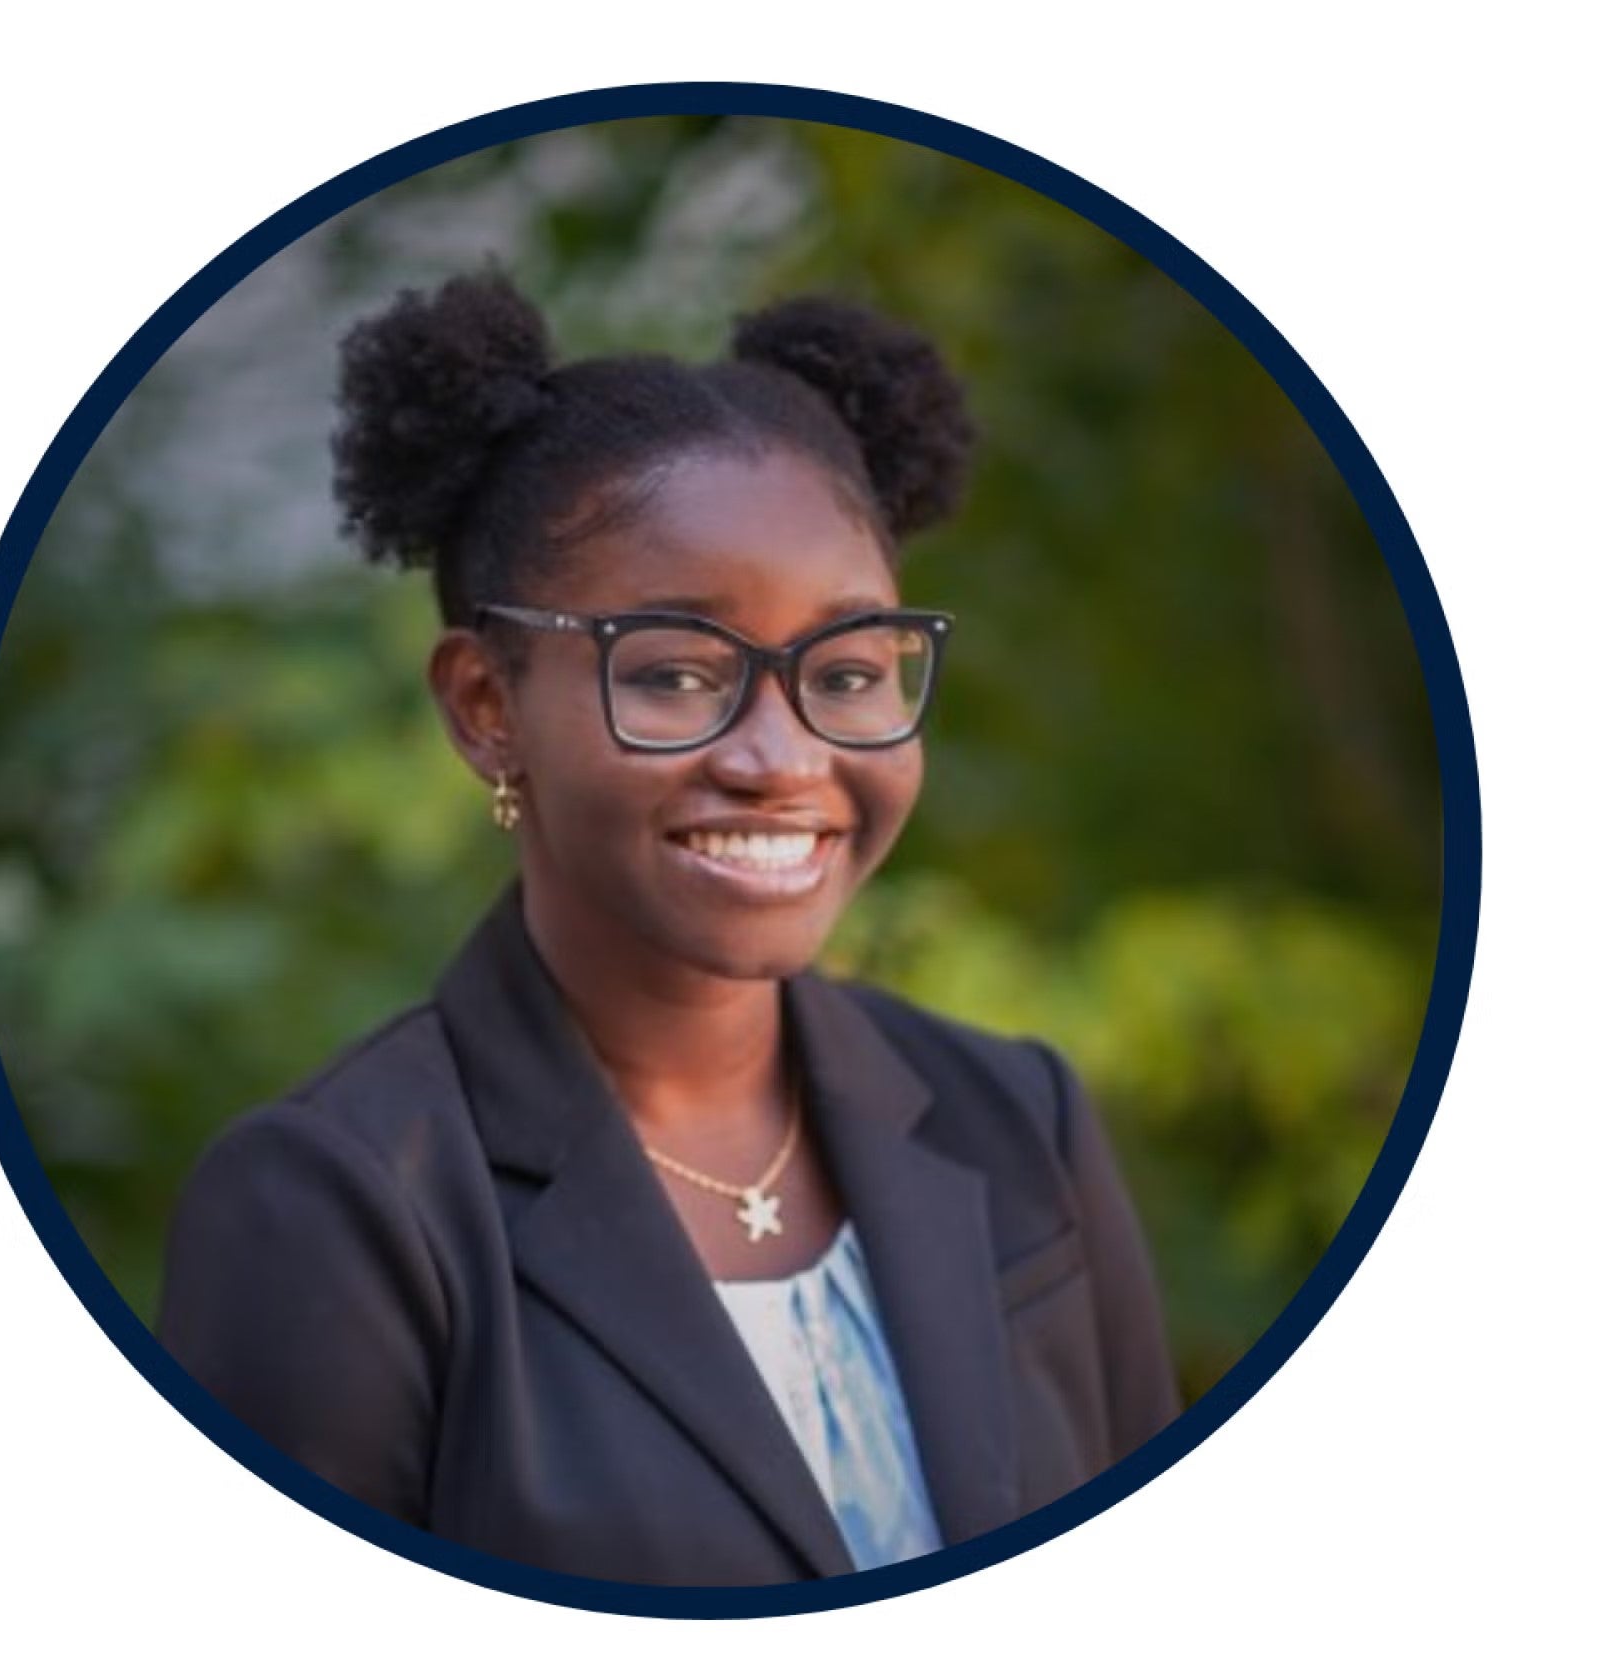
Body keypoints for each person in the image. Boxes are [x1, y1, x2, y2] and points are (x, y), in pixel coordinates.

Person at [158, 272, 1179, 1586]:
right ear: (485, 704)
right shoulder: (343, 1209)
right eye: (678, 674)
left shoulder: (1018, 1122)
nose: (781, 754)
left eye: (852, 673)